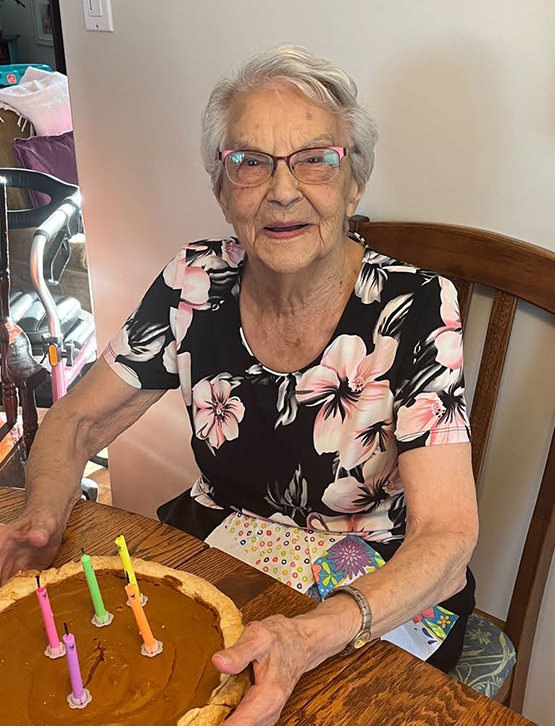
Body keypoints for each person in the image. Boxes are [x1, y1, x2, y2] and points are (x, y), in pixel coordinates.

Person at [0, 46, 478, 726]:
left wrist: (310, 633)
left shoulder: (418, 306)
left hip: (374, 584)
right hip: (224, 545)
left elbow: (448, 537)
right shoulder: (194, 283)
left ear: (354, 182)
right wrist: (40, 519)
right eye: (250, 162)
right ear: (223, 191)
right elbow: (77, 420)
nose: (282, 190)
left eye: (315, 158)